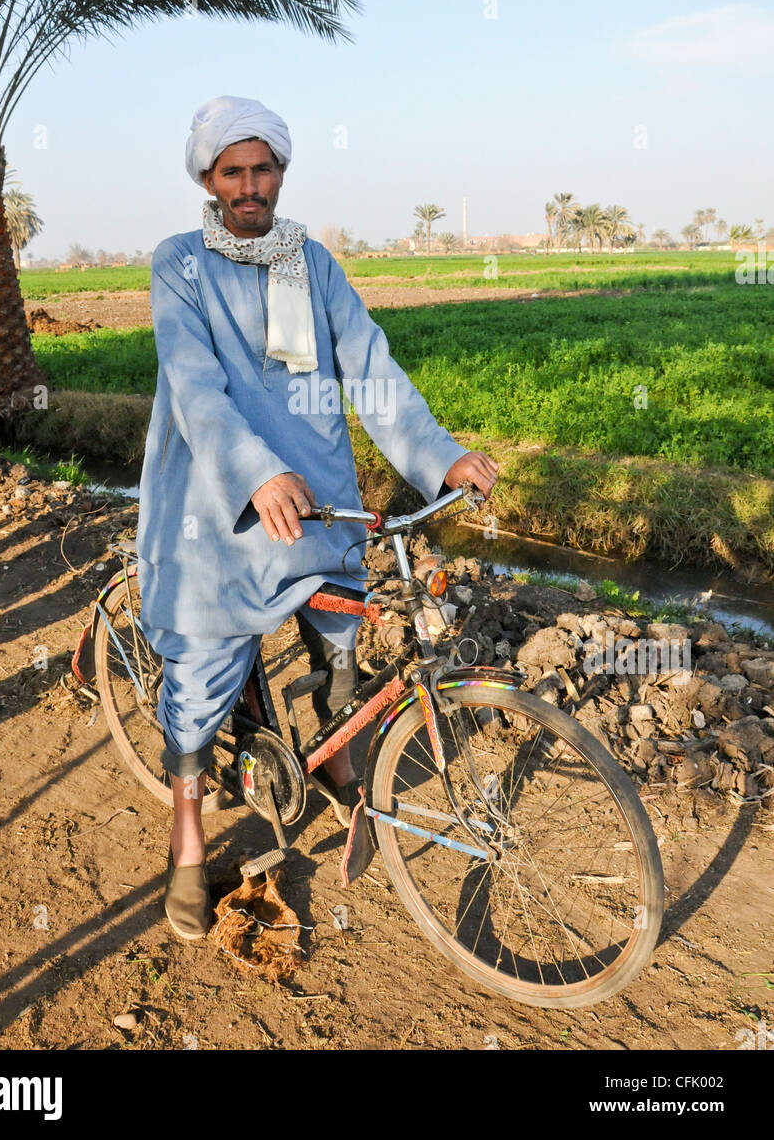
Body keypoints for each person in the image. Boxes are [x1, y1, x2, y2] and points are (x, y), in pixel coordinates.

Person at [136, 95, 499, 941]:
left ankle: (334, 763)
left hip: (322, 496)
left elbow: (368, 367)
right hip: (218, 501)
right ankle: (187, 843)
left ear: (281, 174)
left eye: (263, 169)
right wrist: (257, 474)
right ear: (208, 178)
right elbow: (197, 389)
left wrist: (437, 455)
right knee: (203, 670)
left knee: (338, 644)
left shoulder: (311, 263)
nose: (250, 184)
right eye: (234, 171)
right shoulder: (177, 264)